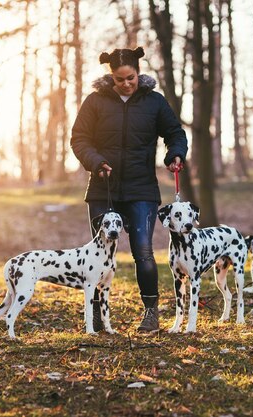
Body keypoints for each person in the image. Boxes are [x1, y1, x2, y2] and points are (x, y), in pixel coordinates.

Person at [71, 47, 188, 332]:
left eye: (131, 78)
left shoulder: (154, 102)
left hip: (142, 190)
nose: (126, 84)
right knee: (100, 254)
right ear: (111, 77)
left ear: (139, 73)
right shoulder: (95, 102)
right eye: (119, 79)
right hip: (103, 188)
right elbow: (80, 139)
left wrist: (175, 153)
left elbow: (175, 133)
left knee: (143, 252)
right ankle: (97, 315)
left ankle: (150, 313)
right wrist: (96, 162)